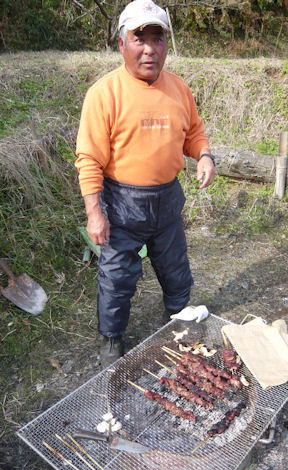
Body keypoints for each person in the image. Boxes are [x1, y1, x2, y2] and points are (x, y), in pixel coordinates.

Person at [75, 0, 215, 367]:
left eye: (158, 38)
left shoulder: (179, 89)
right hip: (123, 203)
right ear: (122, 44)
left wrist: (203, 155)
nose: (150, 48)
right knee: (117, 277)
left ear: (167, 44)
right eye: (140, 39)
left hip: (167, 199)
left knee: (175, 268)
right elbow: (88, 159)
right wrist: (94, 213)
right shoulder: (104, 94)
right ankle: (111, 338)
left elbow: (194, 132)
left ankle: (180, 318)